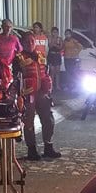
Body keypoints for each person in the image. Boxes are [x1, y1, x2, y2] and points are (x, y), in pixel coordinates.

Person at [17, 31, 61, 160]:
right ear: (22, 43)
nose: (30, 43)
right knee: (29, 122)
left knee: (48, 120)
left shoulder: (41, 55)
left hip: (42, 93)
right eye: (27, 41)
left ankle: (48, 147)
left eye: (32, 41)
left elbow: (45, 72)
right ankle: (32, 150)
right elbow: (16, 77)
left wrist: (48, 87)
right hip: (28, 94)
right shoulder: (18, 58)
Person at [0, 19, 22, 88]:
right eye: (6, 26)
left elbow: (19, 50)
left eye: (10, 26)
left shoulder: (14, 39)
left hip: (10, 66)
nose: (8, 28)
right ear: (2, 27)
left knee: (9, 85)